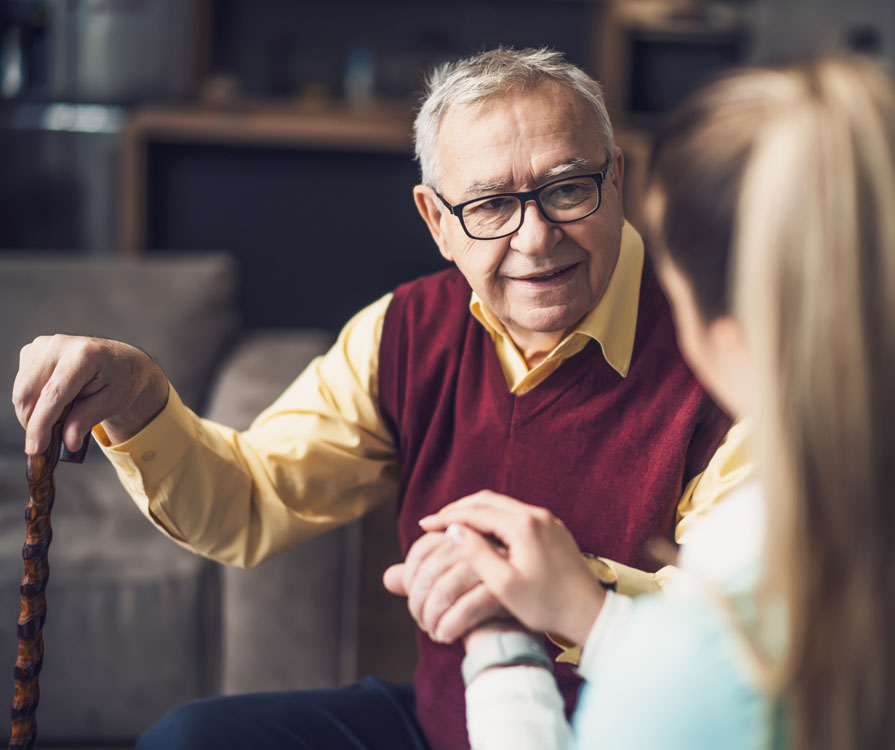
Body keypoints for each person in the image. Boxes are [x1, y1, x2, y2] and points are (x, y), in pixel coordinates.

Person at [12, 48, 747, 750]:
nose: (533, 238)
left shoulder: (727, 352)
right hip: (444, 724)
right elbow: (252, 501)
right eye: (490, 205)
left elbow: (745, 646)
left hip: (644, 733)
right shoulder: (403, 330)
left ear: (615, 178)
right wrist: (140, 401)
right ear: (435, 221)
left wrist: (562, 585)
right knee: (191, 739)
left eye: (565, 190)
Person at [421, 56, 895, 749]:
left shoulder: (720, 643)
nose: (534, 238)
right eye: (492, 204)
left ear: (721, 327)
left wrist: (503, 645)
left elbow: (703, 689)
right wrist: (599, 621)